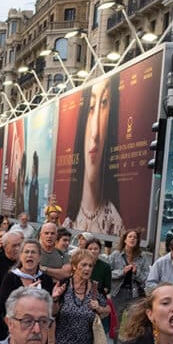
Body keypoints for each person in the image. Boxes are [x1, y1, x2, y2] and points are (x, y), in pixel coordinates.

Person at [63, 78, 123, 235]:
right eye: (90, 107)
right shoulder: (69, 221)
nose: (95, 132)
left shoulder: (115, 224)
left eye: (104, 103)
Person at [51, 249, 109, 344]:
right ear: (74, 266)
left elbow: (108, 310)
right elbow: (52, 313)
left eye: (90, 266)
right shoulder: (64, 285)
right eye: (83, 265)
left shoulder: (95, 288)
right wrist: (55, 298)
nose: (87, 269)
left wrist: (99, 308)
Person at [107, 229, 151, 318]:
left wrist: (136, 272)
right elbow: (107, 273)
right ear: (125, 240)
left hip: (135, 294)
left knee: (134, 323)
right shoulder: (116, 255)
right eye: (130, 237)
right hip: (118, 293)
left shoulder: (142, 256)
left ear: (137, 241)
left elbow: (146, 278)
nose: (132, 239)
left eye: (135, 237)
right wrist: (122, 272)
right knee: (115, 323)